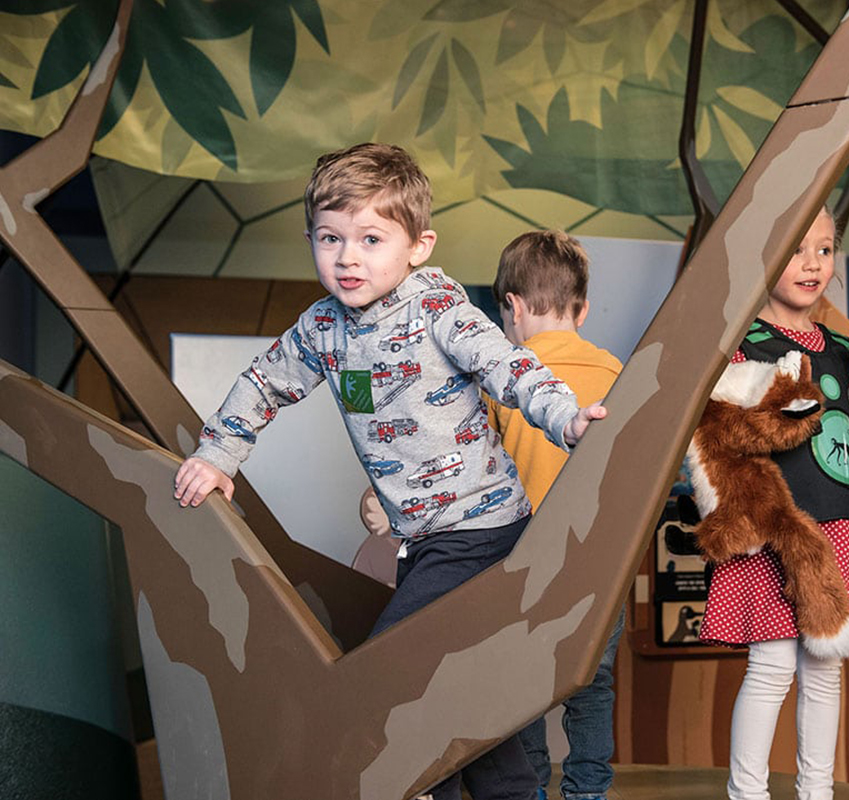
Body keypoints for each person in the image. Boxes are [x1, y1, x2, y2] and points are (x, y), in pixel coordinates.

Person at [172, 143, 605, 800]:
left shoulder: (437, 310)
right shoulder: (322, 329)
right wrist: (217, 453)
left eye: (371, 238)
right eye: (330, 238)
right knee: (482, 710)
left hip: (483, 534)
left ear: (418, 245)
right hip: (422, 543)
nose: (348, 257)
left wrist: (566, 417)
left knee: (386, 674)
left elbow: (508, 367)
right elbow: (264, 383)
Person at [698, 206, 849, 800]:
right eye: (797, 249)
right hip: (777, 529)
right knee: (772, 667)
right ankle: (746, 793)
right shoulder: (740, 342)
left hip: (839, 529)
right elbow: (719, 434)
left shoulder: (837, 346)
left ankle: (816, 792)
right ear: (765, 256)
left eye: (824, 250)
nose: (812, 264)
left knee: (825, 672)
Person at [487, 230, 624, 800]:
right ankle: (589, 791)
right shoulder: (619, 373)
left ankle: (531, 789)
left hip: (520, 562)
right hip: (599, 562)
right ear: (584, 309)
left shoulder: (502, 376)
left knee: (523, 687)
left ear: (511, 309)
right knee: (592, 684)